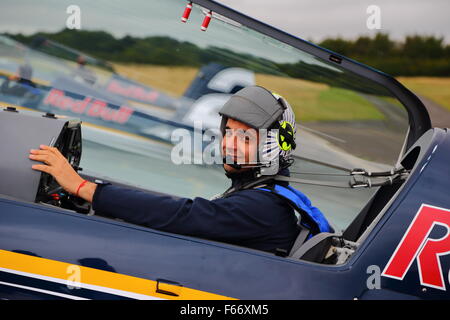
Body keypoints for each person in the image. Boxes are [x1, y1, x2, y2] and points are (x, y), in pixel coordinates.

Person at [29, 86, 332, 254]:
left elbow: (184, 215)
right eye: (229, 133)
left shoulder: (263, 206)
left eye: (245, 137)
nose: (230, 144)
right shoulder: (261, 195)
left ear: (270, 146)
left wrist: (84, 189)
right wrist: (91, 189)